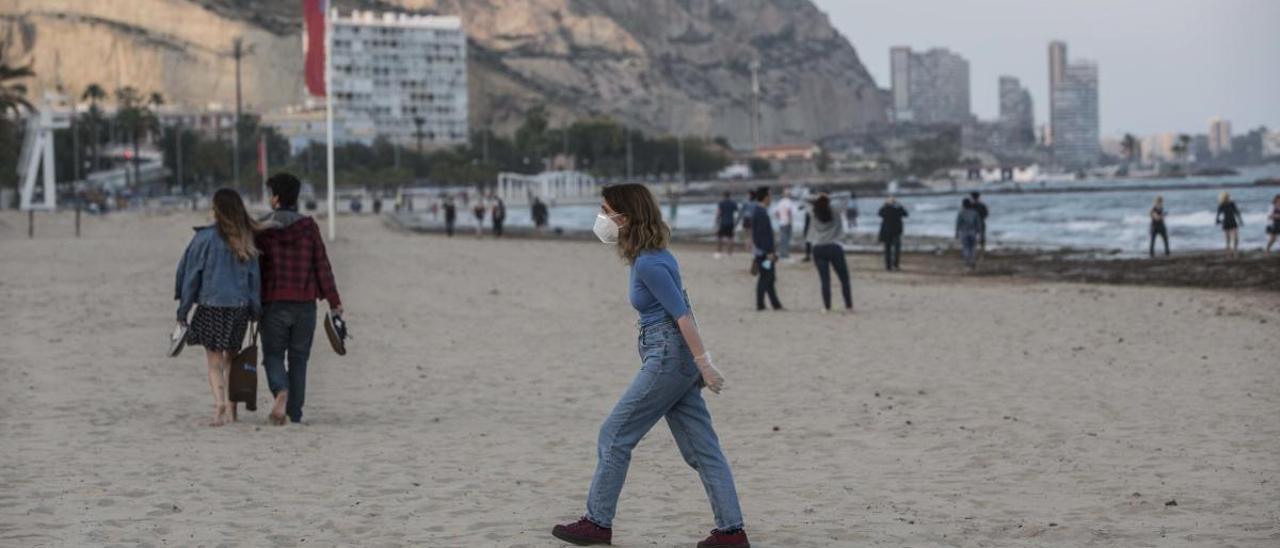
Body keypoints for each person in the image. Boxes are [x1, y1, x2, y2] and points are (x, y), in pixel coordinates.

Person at [551, 183, 749, 548]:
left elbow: (682, 313)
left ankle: (597, 523)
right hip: (673, 357)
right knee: (702, 449)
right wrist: (696, 364)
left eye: (607, 211)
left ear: (626, 217)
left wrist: (703, 363)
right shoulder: (655, 255)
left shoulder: (650, 262)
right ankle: (731, 532)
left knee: (614, 434)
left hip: (667, 357)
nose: (603, 219)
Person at [256, 173, 344, 425]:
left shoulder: (263, 229)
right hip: (305, 303)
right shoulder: (309, 227)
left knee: (273, 355)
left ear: (276, 198)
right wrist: (334, 300)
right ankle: (295, 413)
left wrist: (252, 302)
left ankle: (280, 392)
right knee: (299, 359)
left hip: (273, 302)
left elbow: (256, 269)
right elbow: (322, 266)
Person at [175, 188, 261, 427]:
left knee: (214, 362)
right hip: (239, 308)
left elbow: (191, 277)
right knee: (232, 357)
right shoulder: (245, 239)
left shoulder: (203, 239)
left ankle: (219, 405)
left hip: (211, 305)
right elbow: (255, 279)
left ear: (218, 210)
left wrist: (183, 311)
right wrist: (255, 309)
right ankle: (233, 410)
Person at [808, 194, 853, 313]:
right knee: (844, 279)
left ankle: (827, 307)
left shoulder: (813, 212)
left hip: (818, 247)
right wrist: (829, 197)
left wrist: (818, 198)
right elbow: (846, 197)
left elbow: (804, 199)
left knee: (825, 280)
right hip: (834, 246)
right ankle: (848, 306)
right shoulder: (835, 210)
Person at [751, 186, 784, 311]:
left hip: (763, 252)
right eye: (770, 196)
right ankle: (760, 304)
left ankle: (775, 304)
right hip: (764, 253)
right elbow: (762, 235)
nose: (771, 199)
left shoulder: (759, 211)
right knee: (766, 277)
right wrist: (768, 252)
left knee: (769, 277)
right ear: (765, 197)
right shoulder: (761, 213)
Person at [877, 196, 908, 271]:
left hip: (895, 232)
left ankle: (894, 265)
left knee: (894, 250)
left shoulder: (896, 208)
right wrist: (886, 205)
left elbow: (906, 214)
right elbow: (880, 213)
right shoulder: (888, 208)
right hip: (888, 232)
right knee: (889, 250)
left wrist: (899, 205)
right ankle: (890, 266)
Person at [956, 198, 983, 270]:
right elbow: (978, 223)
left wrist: (957, 233)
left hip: (964, 232)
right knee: (973, 248)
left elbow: (958, 224)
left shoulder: (961, 213)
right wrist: (980, 233)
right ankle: (972, 262)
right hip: (973, 232)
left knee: (966, 248)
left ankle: (967, 262)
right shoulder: (974, 212)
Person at [1216, 191, 1243, 259]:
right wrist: (1219, 221)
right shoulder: (1221, 205)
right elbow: (1218, 216)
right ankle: (1228, 254)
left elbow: (1237, 212)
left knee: (1236, 238)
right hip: (1226, 223)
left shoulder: (1232, 204)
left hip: (1233, 222)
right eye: (1226, 197)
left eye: (1227, 196)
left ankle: (1235, 252)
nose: (1227, 198)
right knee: (1228, 240)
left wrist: (1240, 220)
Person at [714, 191, 739, 258]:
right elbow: (736, 213)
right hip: (731, 223)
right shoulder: (733, 203)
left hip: (723, 222)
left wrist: (716, 221)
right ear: (729, 195)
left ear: (724, 196)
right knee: (730, 238)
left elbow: (719, 213)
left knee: (720, 238)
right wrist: (736, 223)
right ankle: (729, 253)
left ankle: (719, 253)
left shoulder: (721, 203)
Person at [775, 189, 796, 260]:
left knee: (782, 239)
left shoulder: (780, 202)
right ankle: (785, 254)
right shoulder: (788, 202)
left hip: (781, 223)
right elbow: (789, 211)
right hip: (787, 222)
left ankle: (781, 253)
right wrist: (790, 221)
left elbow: (776, 213)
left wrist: (780, 219)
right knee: (786, 239)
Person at [970, 191, 989, 256]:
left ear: (972, 197)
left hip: (973, 223)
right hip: (981, 222)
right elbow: (986, 214)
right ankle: (982, 249)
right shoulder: (982, 205)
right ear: (978, 197)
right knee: (982, 236)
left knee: (973, 237)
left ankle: (974, 250)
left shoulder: (970, 206)